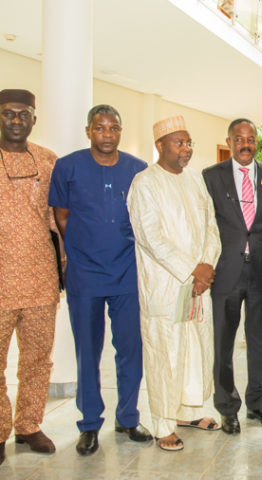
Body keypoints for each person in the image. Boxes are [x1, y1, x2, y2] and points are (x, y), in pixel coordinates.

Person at [49, 104, 152, 456]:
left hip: (126, 273)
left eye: (113, 128)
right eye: (99, 128)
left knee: (130, 349)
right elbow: (61, 217)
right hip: (86, 275)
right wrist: (79, 250)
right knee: (88, 351)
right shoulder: (68, 167)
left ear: (120, 131)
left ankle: (128, 416)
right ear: (88, 130)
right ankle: (90, 423)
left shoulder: (138, 169)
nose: (106, 134)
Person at [127, 115, 222, 452]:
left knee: (196, 347)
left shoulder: (196, 180)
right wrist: (192, 270)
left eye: (189, 143)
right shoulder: (145, 183)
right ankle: (164, 423)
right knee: (165, 352)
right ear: (160, 146)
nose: (187, 149)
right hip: (168, 285)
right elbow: (150, 237)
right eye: (179, 143)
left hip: (198, 284)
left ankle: (191, 411)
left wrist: (207, 265)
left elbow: (212, 227)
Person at [202, 119, 262, 434]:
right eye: (239, 139)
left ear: (257, 142)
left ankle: (258, 404)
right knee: (223, 342)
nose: (245, 144)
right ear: (230, 141)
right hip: (226, 272)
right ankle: (227, 406)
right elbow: (205, 224)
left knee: (261, 341)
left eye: (250, 139)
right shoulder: (211, 177)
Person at [0, 88, 59, 464]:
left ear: (34, 119)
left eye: (23, 114)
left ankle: (29, 425)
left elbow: (60, 219)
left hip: (40, 279)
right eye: (8, 113)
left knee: (38, 359)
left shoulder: (48, 161)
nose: (16, 120)